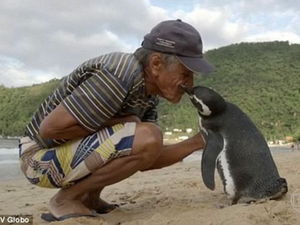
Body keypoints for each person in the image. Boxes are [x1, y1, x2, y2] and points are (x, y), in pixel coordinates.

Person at [19, 19, 214, 221]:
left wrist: (198, 142)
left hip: (62, 154)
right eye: (185, 73)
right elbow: (50, 130)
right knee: (145, 133)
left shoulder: (148, 95)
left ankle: (89, 197)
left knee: (145, 135)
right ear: (156, 64)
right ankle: (65, 199)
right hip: (37, 158)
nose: (190, 83)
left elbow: (147, 157)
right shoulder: (119, 72)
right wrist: (123, 122)